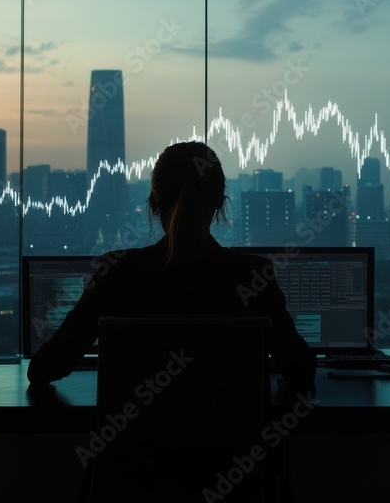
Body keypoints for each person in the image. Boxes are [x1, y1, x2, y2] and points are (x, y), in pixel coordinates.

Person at [27, 141, 316, 391]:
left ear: (153, 204)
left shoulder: (117, 273)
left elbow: (44, 369)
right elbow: (301, 372)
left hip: (138, 452)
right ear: (220, 202)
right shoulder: (251, 276)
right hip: (232, 451)